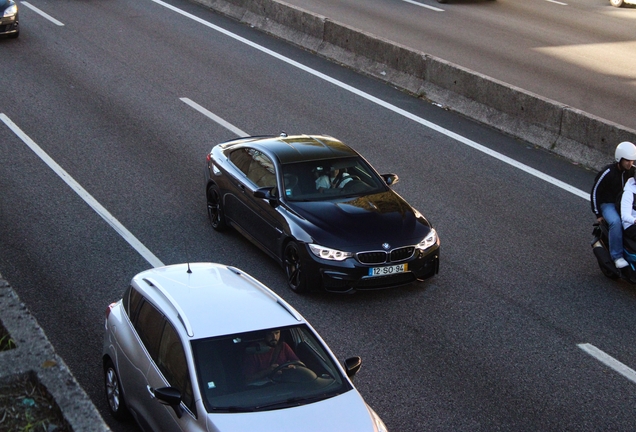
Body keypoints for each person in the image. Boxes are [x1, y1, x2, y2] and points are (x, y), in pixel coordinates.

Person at [591, 141, 636, 269]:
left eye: (632, 160)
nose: (630, 163)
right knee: (616, 222)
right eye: (627, 160)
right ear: (619, 159)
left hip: (624, 203)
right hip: (608, 204)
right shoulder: (607, 172)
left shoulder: (632, 171)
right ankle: (617, 256)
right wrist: (598, 213)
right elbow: (595, 191)